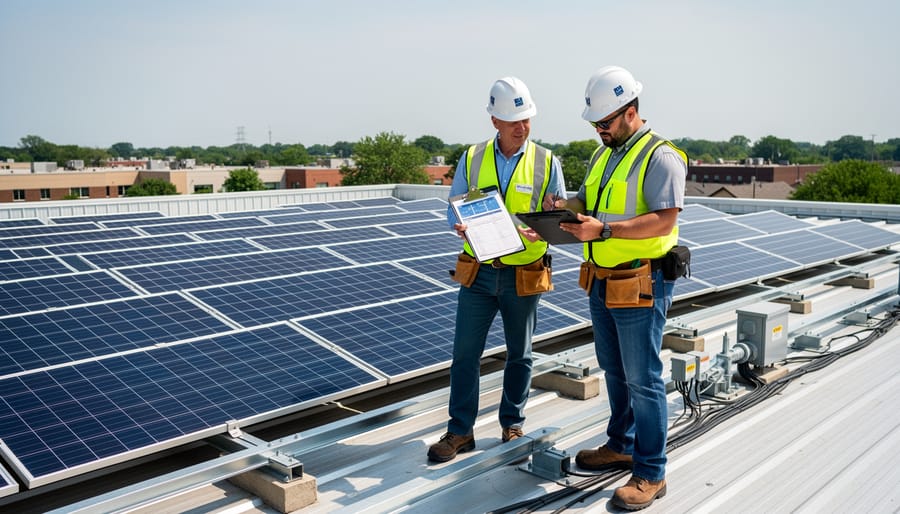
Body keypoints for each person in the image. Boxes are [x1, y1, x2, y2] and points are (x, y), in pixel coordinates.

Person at [551, 66, 687, 510]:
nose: (598, 131)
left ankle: (650, 472)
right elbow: (591, 202)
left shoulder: (661, 157)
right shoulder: (604, 154)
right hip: (602, 280)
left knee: (643, 379)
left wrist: (604, 232)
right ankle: (622, 443)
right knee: (614, 369)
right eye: (594, 124)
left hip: (639, 281)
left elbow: (664, 219)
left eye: (604, 123)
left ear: (630, 112)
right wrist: (563, 209)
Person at [427, 76, 566, 463]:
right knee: (465, 354)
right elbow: (453, 205)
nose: (522, 128)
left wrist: (541, 227)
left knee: (520, 354)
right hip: (480, 272)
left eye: (526, 120)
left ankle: (512, 422)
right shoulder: (472, 158)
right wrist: (456, 222)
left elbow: (556, 218)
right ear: (495, 122)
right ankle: (460, 431)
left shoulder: (546, 161)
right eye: (513, 121)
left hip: (524, 272)